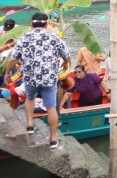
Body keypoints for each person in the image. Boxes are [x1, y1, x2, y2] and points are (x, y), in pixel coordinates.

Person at [3, 13, 70, 149]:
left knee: (30, 98)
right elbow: (67, 55)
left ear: (31, 24)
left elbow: (12, 59)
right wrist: (65, 64)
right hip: (49, 80)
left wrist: (7, 73)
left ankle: (30, 125)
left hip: (30, 78)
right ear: (46, 24)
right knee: (51, 107)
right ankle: (53, 139)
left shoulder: (24, 38)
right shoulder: (54, 38)